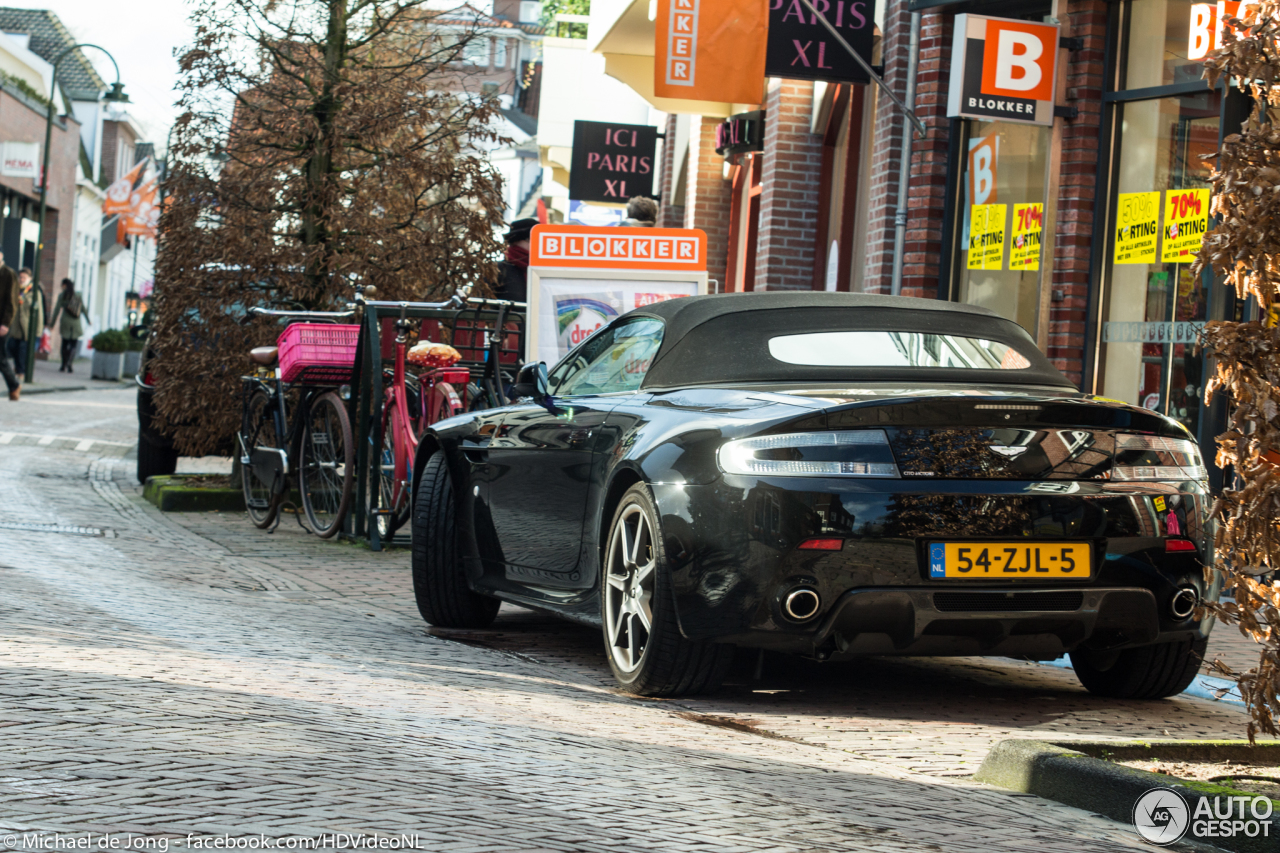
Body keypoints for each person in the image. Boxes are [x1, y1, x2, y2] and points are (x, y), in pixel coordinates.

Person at [7, 267, 44, 378]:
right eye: (20, 277)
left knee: (23, 352)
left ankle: (21, 372)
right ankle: (19, 369)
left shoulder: (34, 292)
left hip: (28, 329)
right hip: (16, 327)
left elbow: (40, 313)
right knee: (11, 347)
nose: (22, 279)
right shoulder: (15, 290)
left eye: (24, 277)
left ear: (30, 278)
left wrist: (38, 330)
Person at [494, 217, 537, 304]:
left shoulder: (545, 269)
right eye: (531, 239)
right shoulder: (499, 269)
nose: (536, 244)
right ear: (515, 241)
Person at [46, 278, 84, 373]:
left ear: (64, 285)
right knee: (73, 345)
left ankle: (63, 365)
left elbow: (56, 310)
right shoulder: (78, 295)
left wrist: (52, 324)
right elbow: (83, 308)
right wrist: (88, 320)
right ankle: (70, 363)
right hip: (76, 322)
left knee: (65, 344)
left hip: (66, 322)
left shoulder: (62, 296)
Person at [0, 255, 18, 400]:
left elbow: (12, 302)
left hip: (1, 323)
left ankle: (14, 385)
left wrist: (5, 323)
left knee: (1, 357)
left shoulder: (8, 274)